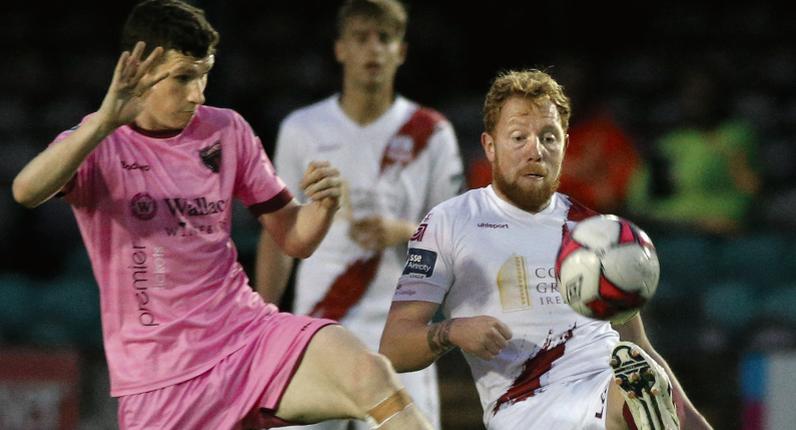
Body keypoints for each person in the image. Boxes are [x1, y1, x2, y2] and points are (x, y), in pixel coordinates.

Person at [11, 1, 433, 429]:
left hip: (247, 336)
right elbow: (26, 191)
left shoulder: (227, 130)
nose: (198, 93)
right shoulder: (98, 144)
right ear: (137, 70)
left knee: (369, 374)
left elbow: (293, 238)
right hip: (160, 379)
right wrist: (102, 123)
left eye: (204, 73)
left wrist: (322, 208)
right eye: (183, 78)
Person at [379, 69, 713, 430]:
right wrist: (453, 330)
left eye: (549, 138)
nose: (535, 151)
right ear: (490, 146)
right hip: (526, 409)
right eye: (519, 137)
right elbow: (394, 346)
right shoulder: (450, 222)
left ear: (565, 146)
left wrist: (695, 423)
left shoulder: (595, 231)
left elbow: (640, 349)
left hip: (607, 391)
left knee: (637, 386)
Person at [256, 1, 463, 429]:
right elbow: (278, 234)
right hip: (318, 326)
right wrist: (262, 317)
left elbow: (458, 241)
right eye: (361, 38)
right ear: (340, 49)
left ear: (401, 51)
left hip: (402, 333)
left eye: (384, 38)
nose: (374, 50)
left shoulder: (431, 132)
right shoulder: (302, 128)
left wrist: (403, 231)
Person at [626, 67, 760, 235]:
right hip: (670, 232)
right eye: (690, 94)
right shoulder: (668, 144)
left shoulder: (736, 136)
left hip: (721, 237)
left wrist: (727, 219)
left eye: (704, 93)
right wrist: (688, 221)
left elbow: (749, 192)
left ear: (719, 97)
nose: (697, 100)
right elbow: (641, 202)